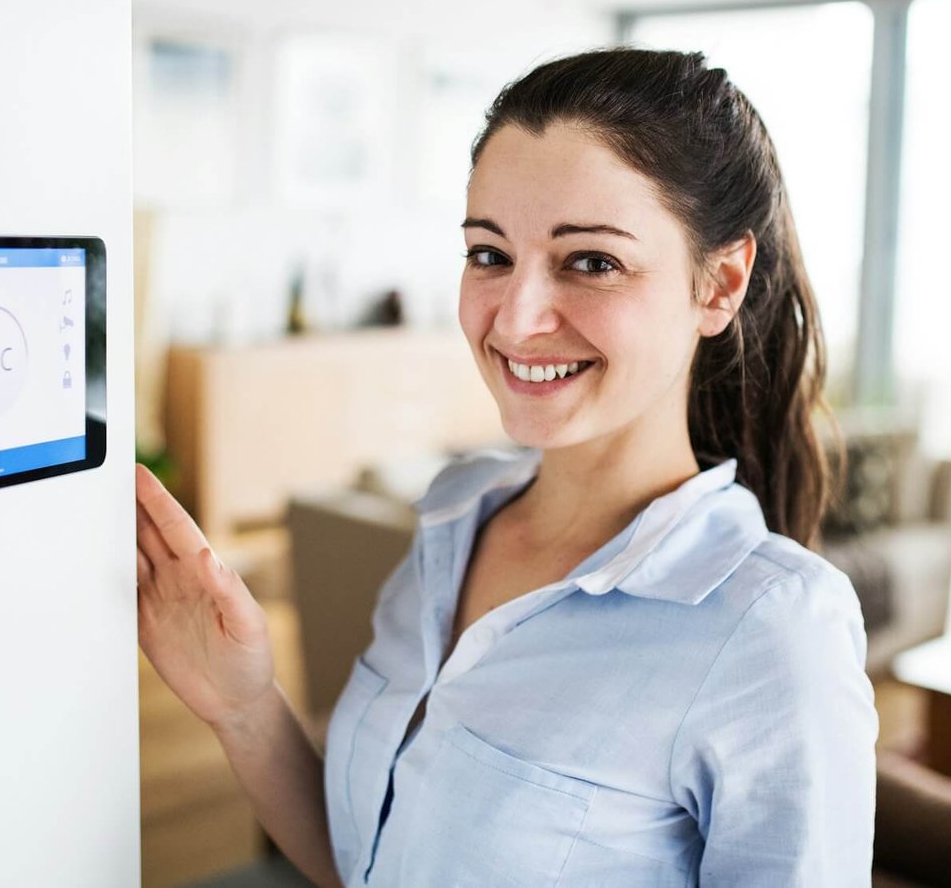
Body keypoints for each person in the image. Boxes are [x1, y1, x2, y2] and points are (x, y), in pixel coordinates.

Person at [135, 47, 878, 887]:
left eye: (591, 262)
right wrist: (241, 703)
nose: (517, 320)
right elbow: (366, 868)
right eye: (489, 253)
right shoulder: (454, 522)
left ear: (720, 284)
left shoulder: (773, 631)